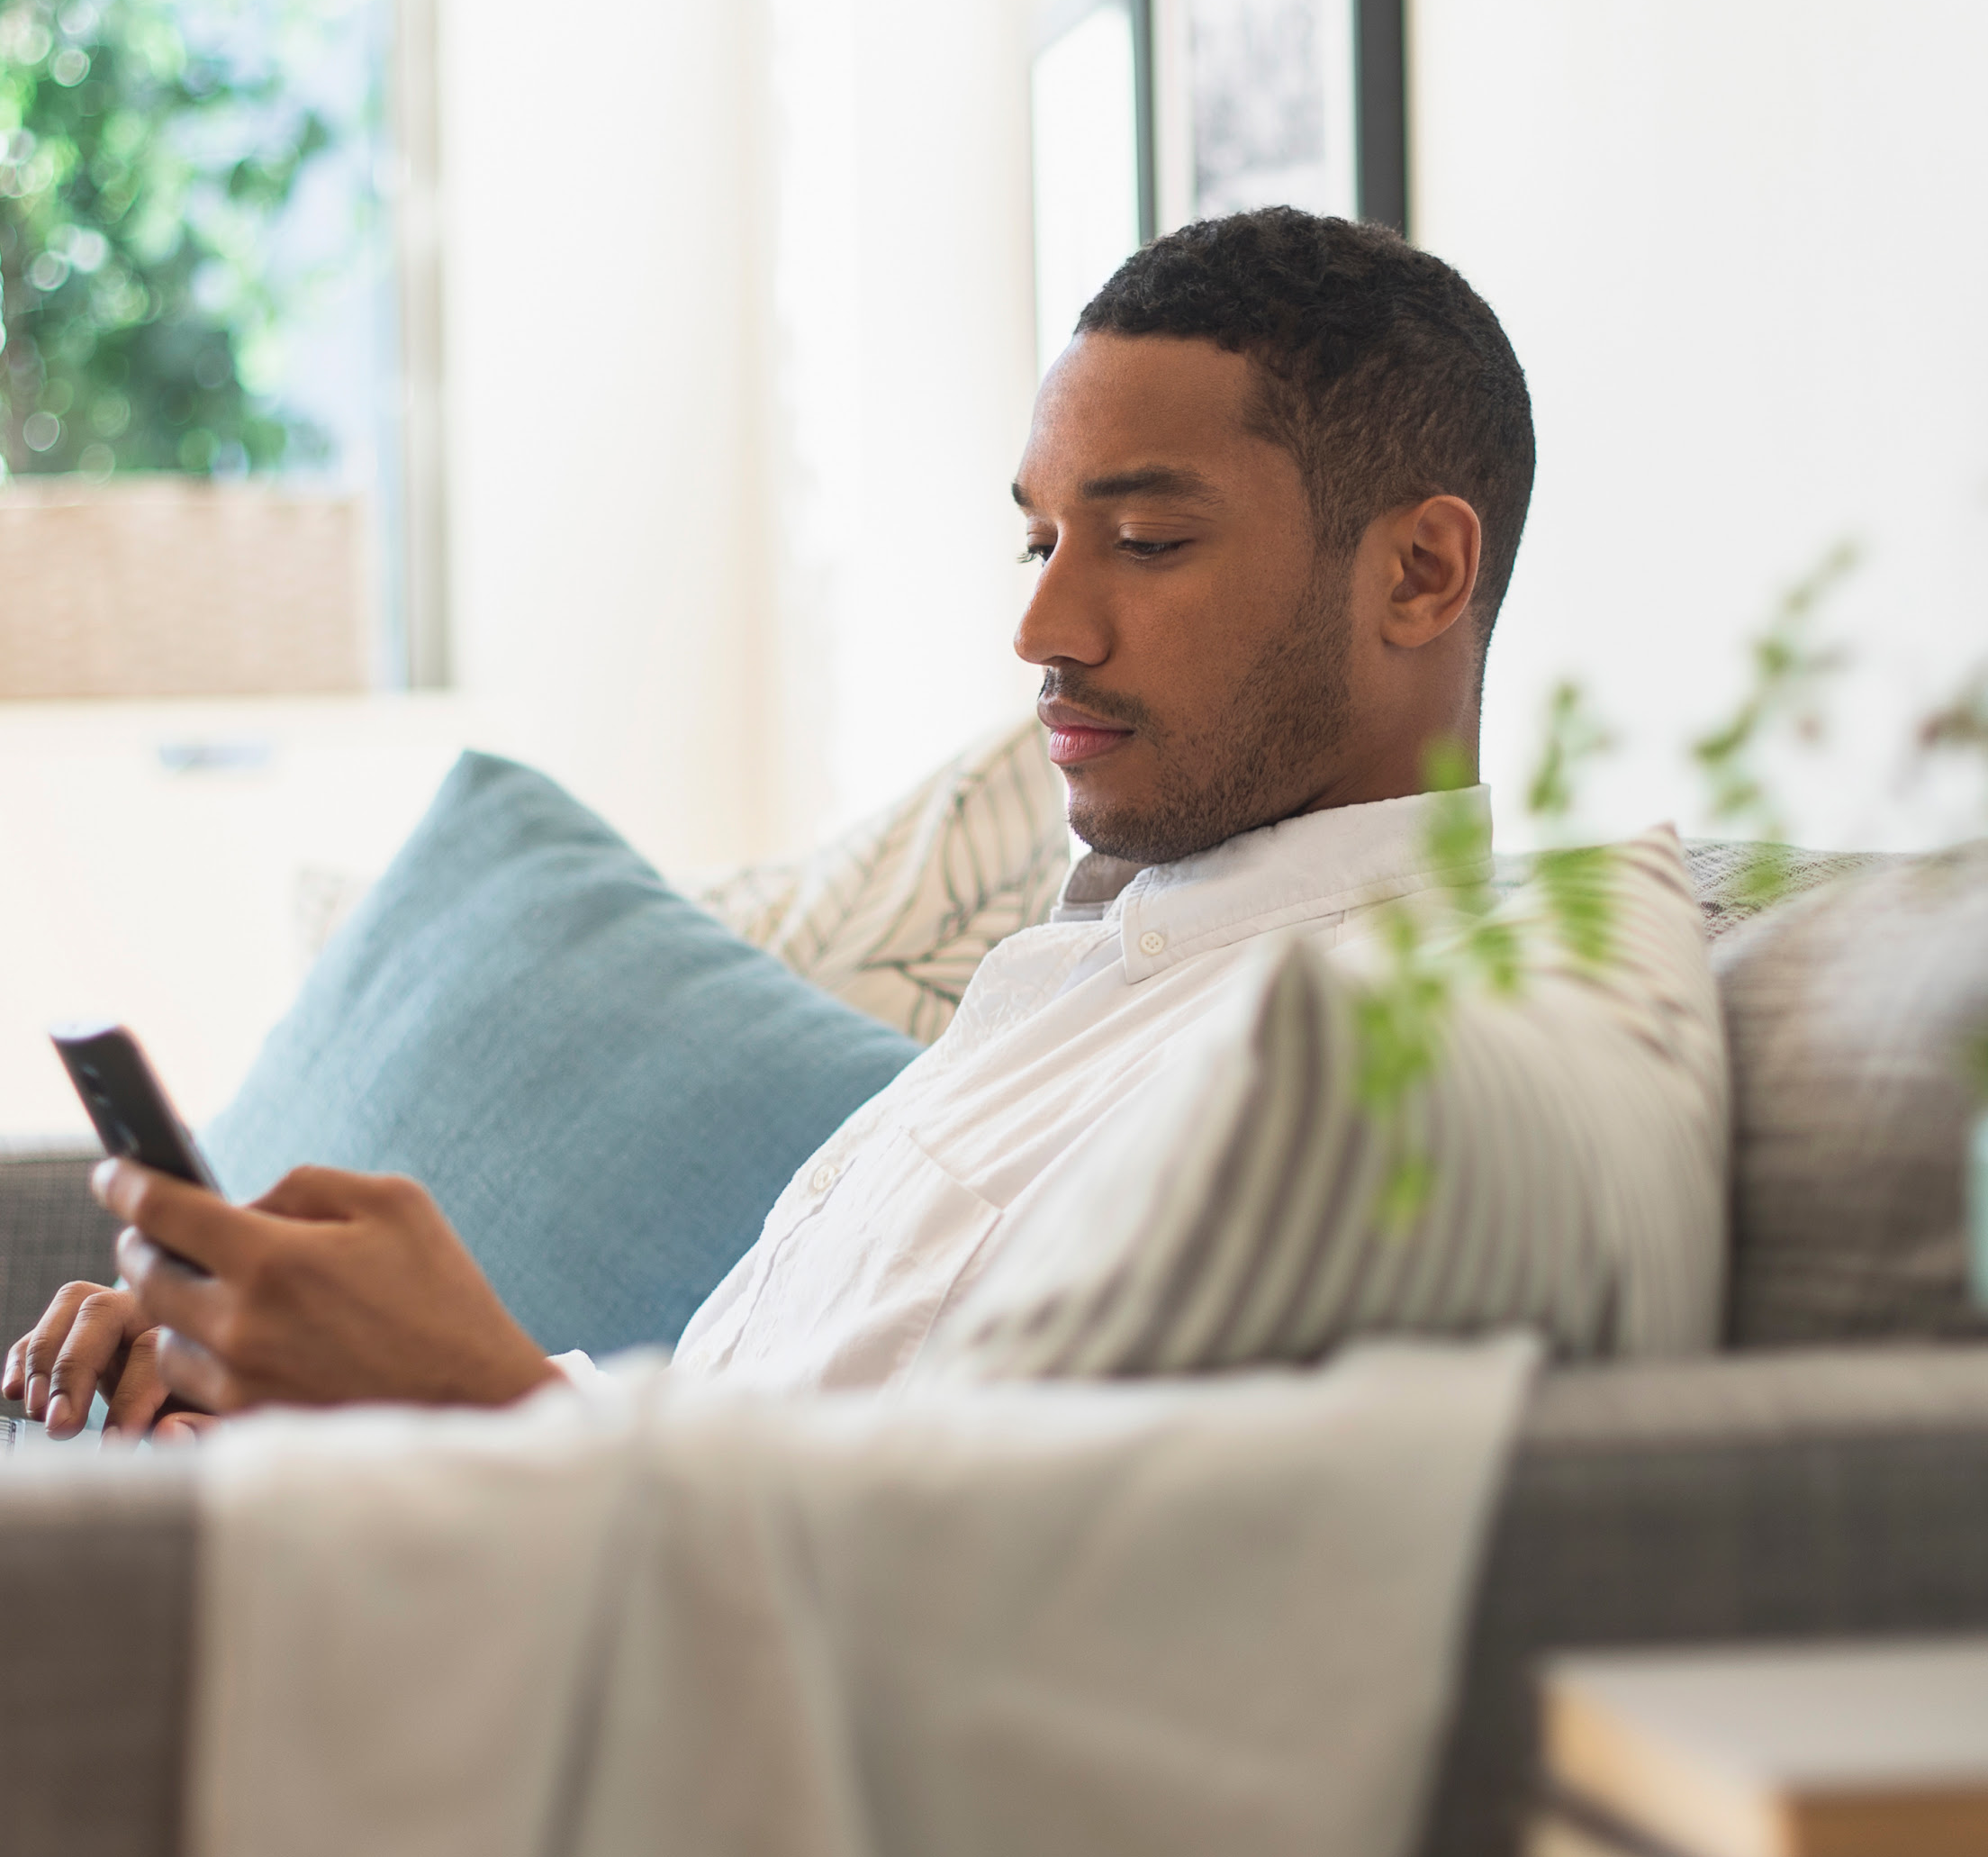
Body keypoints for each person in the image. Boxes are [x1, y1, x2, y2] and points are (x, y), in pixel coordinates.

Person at [3, 206, 1534, 1438]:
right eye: (1040, 539)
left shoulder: (1352, 1081)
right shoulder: (1116, 971)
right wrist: (323, 1405)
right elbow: (768, 1437)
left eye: (1145, 539)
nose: (1045, 624)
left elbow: (958, 1671)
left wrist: (473, 1396)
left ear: (1418, 575)